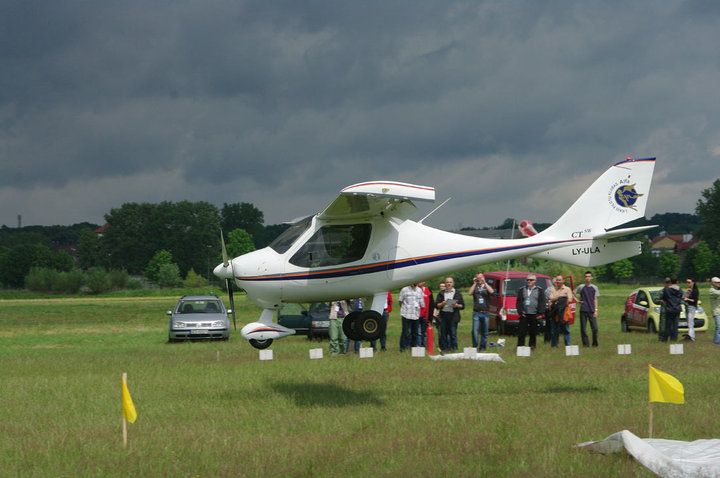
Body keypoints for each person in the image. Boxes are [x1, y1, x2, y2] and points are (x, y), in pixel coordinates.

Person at [516, 274, 547, 349]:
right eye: (527, 280)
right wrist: (520, 312)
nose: (529, 281)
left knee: (533, 332)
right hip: (524, 314)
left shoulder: (539, 290)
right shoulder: (522, 289)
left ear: (535, 281)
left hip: (534, 314)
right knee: (522, 332)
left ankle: (532, 347)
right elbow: (519, 302)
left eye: (531, 280)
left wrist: (540, 313)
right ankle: (520, 347)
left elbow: (542, 302)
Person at [436, 277, 464, 352]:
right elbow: (436, 305)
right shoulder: (441, 293)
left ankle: (454, 349)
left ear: (453, 283)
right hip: (444, 315)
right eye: (447, 282)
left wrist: (457, 305)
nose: (449, 284)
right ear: (445, 283)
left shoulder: (457, 293)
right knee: (443, 334)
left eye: (450, 282)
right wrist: (442, 303)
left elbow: (462, 306)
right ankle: (444, 349)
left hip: (453, 315)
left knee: (453, 334)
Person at [468, 273, 494, 351]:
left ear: (484, 278)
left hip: (485, 312)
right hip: (477, 312)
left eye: (481, 278)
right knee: (475, 331)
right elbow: (469, 293)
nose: (479, 280)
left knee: (485, 332)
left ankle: (482, 347)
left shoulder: (486, 287)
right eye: (478, 278)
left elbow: (491, 291)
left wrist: (485, 283)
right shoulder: (475, 287)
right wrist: (474, 283)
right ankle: (475, 346)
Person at [574, 271, 600, 347]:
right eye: (586, 276)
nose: (587, 278)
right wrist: (578, 301)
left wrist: (596, 310)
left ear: (591, 277)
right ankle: (585, 344)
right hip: (583, 310)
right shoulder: (581, 287)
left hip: (592, 310)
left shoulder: (595, 287)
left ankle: (595, 344)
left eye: (589, 276)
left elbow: (595, 299)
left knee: (595, 328)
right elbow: (573, 294)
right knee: (583, 329)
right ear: (584, 278)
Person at [548, 275, 573, 347]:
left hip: (564, 312)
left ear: (563, 281)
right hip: (554, 312)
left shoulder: (567, 289)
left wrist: (558, 299)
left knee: (566, 330)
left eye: (559, 280)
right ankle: (554, 345)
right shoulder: (553, 289)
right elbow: (551, 298)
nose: (558, 281)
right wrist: (560, 297)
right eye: (557, 280)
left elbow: (570, 299)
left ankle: (568, 345)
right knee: (554, 330)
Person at [399, 284, 424, 351]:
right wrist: (404, 309)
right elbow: (400, 301)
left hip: (415, 314)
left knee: (415, 333)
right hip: (406, 314)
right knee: (405, 332)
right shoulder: (404, 289)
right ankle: (403, 348)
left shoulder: (419, 290)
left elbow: (421, 302)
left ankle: (413, 348)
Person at [660, 276, 683, 342]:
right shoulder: (680, 290)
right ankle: (674, 339)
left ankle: (665, 339)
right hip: (677, 309)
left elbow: (664, 298)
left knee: (668, 325)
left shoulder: (667, 290)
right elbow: (680, 297)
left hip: (669, 308)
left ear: (670, 282)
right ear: (677, 282)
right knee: (675, 325)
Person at [682, 278, 699, 342]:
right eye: (687, 282)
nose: (687, 284)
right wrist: (687, 293)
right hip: (687, 307)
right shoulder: (690, 290)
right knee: (689, 322)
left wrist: (687, 299)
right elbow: (685, 297)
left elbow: (694, 300)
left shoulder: (695, 290)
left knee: (690, 323)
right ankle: (690, 336)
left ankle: (691, 337)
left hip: (692, 307)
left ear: (693, 282)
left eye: (689, 282)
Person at [418, 281, 433, 347]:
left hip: (425, 315)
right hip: (416, 315)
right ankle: (417, 346)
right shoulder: (414, 290)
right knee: (418, 332)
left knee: (424, 332)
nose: (419, 282)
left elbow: (431, 304)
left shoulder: (427, 290)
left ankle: (425, 346)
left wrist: (430, 318)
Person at [434, 281, 446, 350]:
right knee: (440, 332)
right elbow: (436, 306)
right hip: (439, 315)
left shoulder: (448, 294)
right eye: (441, 286)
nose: (442, 287)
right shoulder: (439, 295)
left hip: (445, 315)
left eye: (443, 286)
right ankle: (441, 345)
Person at [710, 277, 720, 345]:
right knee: (718, 326)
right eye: (717, 282)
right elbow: (718, 293)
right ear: (713, 283)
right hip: (716, 311)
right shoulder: (712, 290)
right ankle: (716, 341)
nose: (719, 284)